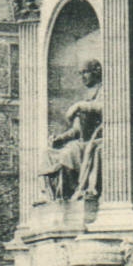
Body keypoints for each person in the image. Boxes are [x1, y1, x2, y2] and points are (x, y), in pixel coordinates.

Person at [43, 60, 102, 201]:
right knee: (48, 153)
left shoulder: (104, 91)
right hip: (82, 140)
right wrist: (61, 138)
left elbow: (104, 108)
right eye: (81, 73)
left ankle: (74, 192)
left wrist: (80, 106)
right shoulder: (87, 95)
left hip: (96, 139)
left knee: (67, 154)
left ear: (96, 72)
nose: (83, 77)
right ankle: (52, 194)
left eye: (86, 72)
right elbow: (76, 130)